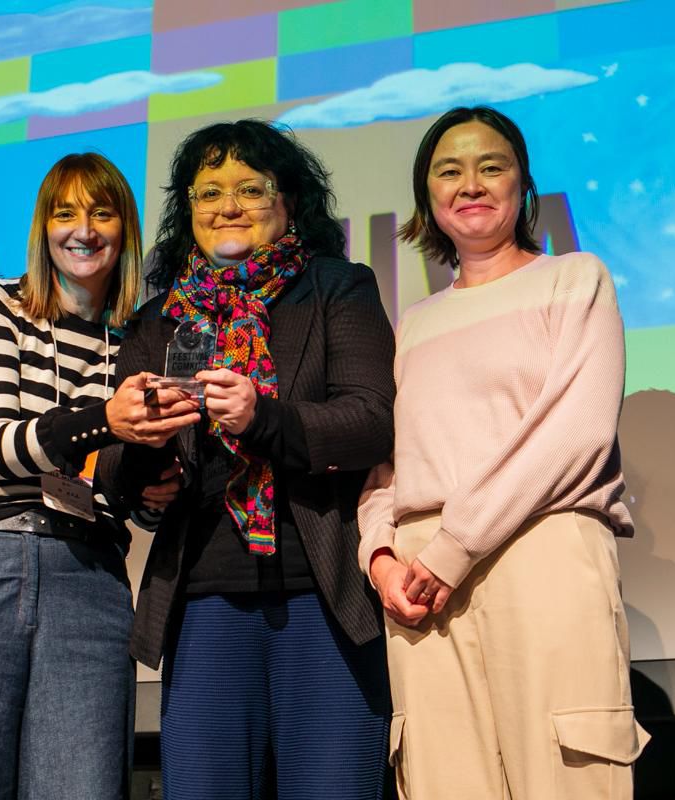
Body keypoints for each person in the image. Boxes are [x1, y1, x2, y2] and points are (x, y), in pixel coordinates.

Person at [358, 105, 651, 800]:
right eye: (449, 171)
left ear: (523, 184)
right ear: (426, 196)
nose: (471, 184)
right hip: (421, 581)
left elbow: (576, 433)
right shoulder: (413, 324)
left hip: (538, 545)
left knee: (567, 776)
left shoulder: (573, 279)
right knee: (442, 779)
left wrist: (454, 547)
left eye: (491, 166)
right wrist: (380, 557)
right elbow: (386, 467)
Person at [99, 119, 396, 799]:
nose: (227, 206)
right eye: (209, 192)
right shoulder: (161, 318)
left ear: (288, 200)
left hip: (320, 597)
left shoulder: (335, 288)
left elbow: (371, 422)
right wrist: (146, 459)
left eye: (250, 189)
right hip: (203, 601)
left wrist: (263, 418)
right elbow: (116, 470)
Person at [0, 153, 198, 800]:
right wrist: (105, 420)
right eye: (66, 214)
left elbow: (130, 496)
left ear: (125, 229)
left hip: (90, 578)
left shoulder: (139, 340)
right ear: (43, 228)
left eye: (102, 213)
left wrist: (151, 490)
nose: (83, 230)